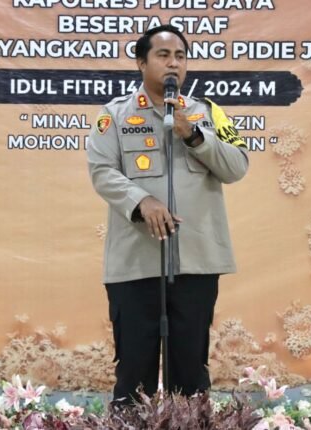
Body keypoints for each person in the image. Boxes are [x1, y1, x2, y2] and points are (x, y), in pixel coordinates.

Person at [86, 24, 249, 403]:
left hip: (196, 261)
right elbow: (101, 171)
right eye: (163, 55)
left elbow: (237, 166)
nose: (173, 63)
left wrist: (195, 136)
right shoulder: (114, 115)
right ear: (141, 63)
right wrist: (141, 201)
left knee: (191, 373)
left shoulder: (207, 113)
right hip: (135, 262)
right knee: (134, 375)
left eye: (180, 56)